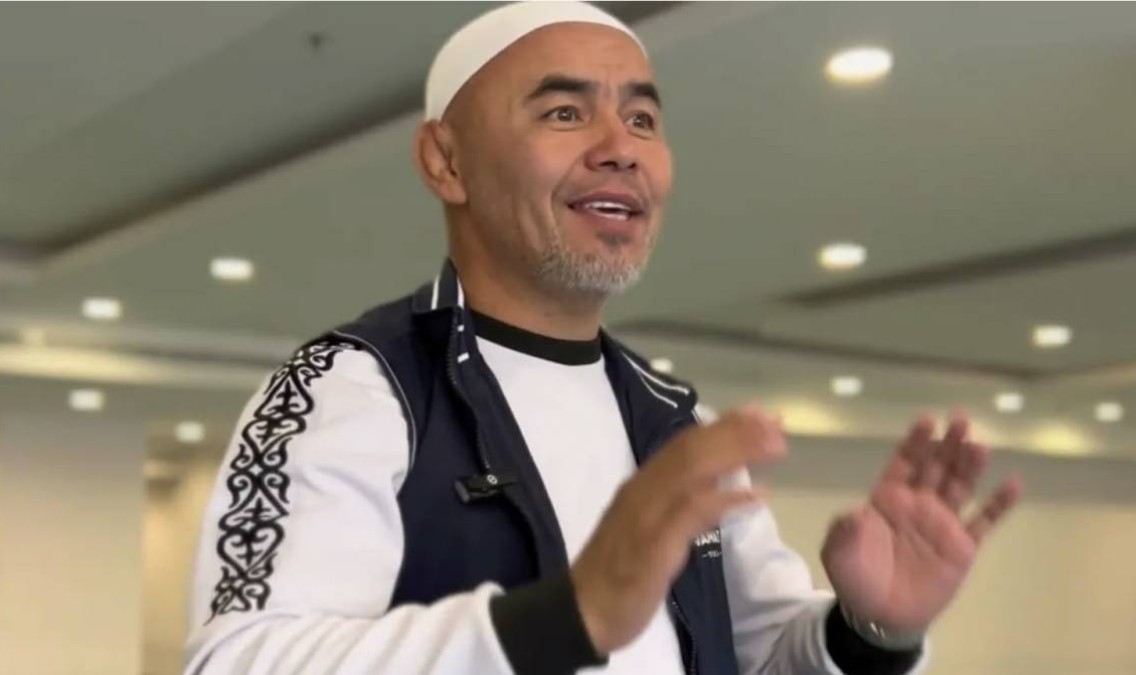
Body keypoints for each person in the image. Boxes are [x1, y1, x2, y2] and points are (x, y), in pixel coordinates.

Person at [184, 3, 1022, 674]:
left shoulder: (677, 424)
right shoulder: (352, 385)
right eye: (564, 111)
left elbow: (758, 655)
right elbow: (242, 659)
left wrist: (869, 633)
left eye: (643, 119)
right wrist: (565, 618)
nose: (621, 149)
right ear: (446, 161)